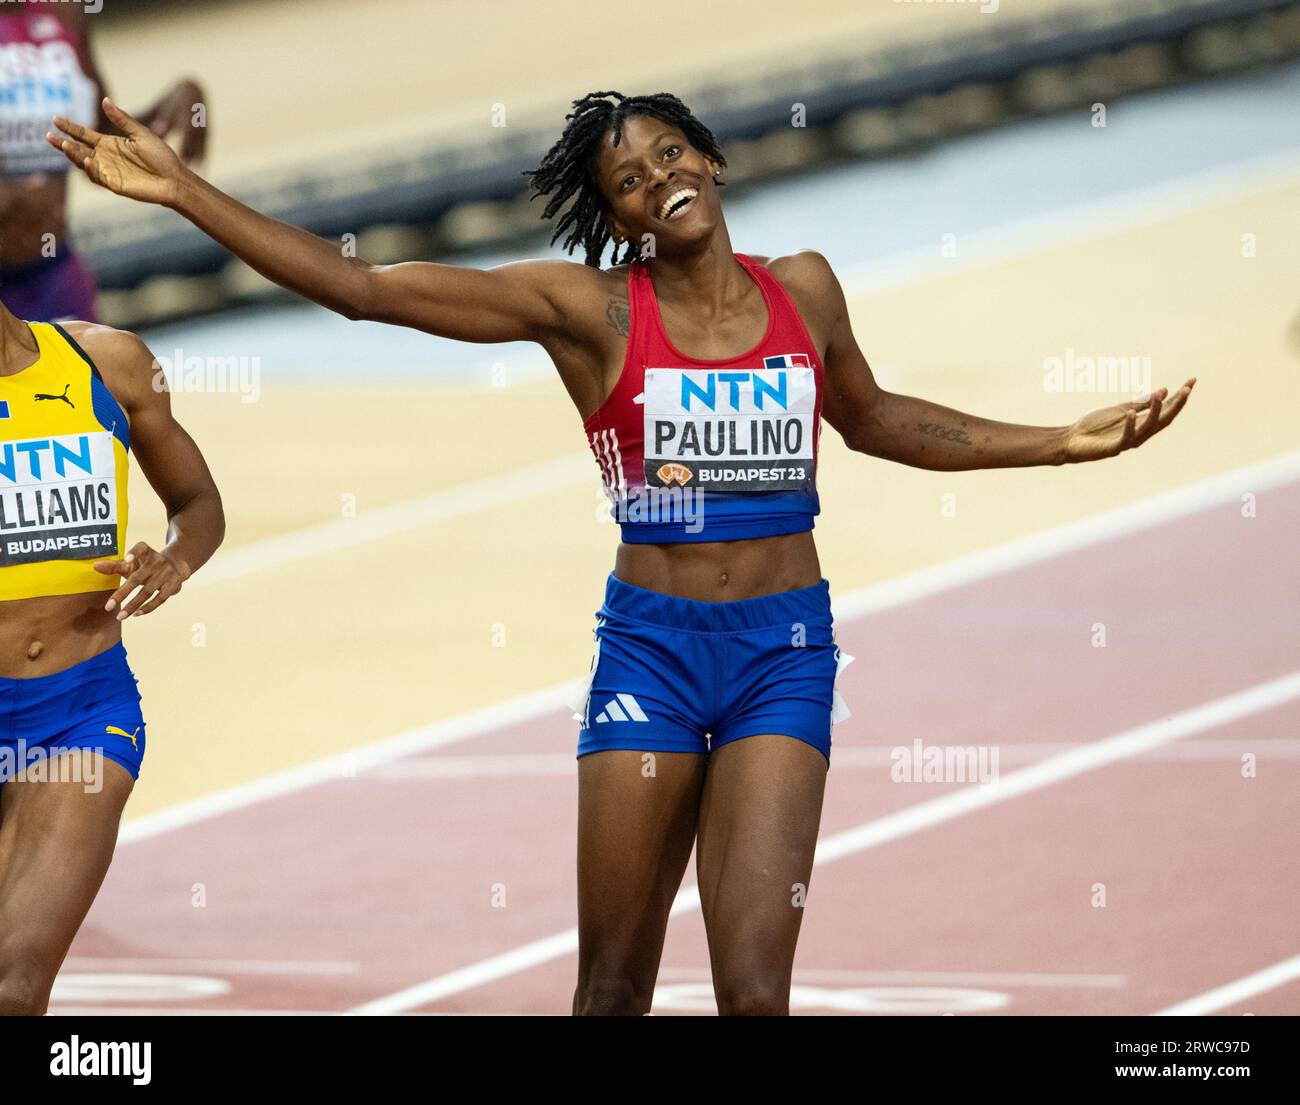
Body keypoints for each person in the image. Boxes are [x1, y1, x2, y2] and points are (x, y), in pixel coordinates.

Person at [49, 90, 1194, 1016]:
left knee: (754, 990)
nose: (659, 180)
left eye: (668, 153)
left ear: (711, 156)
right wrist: (185, 191)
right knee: (612, 986)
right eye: (630, 182)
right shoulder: (589, 312)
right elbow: (363, 290)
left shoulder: (804, 287)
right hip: (650, 655)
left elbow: (874, 417)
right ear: (620, 220)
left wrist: (1056, 442)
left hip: (782, 651)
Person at [0, 304, 224, 1016]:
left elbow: (197, 499)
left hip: (80, 712)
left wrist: (176, 559)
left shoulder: (109, 362)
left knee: (12, 988)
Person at [0, 0, 206, 321]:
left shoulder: (63, 13)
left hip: (55, 276)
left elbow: (101, 141)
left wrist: (177, 102)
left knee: (95, 369)